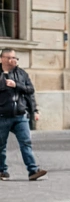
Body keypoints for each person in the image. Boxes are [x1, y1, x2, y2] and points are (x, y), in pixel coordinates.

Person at [0, 47, 44, 181]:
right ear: (4, 59)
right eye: (12, 58)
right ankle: (2, 171)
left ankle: (33, 171)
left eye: (15, 58)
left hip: (20, 115)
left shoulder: (21, 74)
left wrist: (34, 110)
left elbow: (30, 91)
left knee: (26, 142)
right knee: (1, 146)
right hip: (2, 116)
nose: (15, 60)